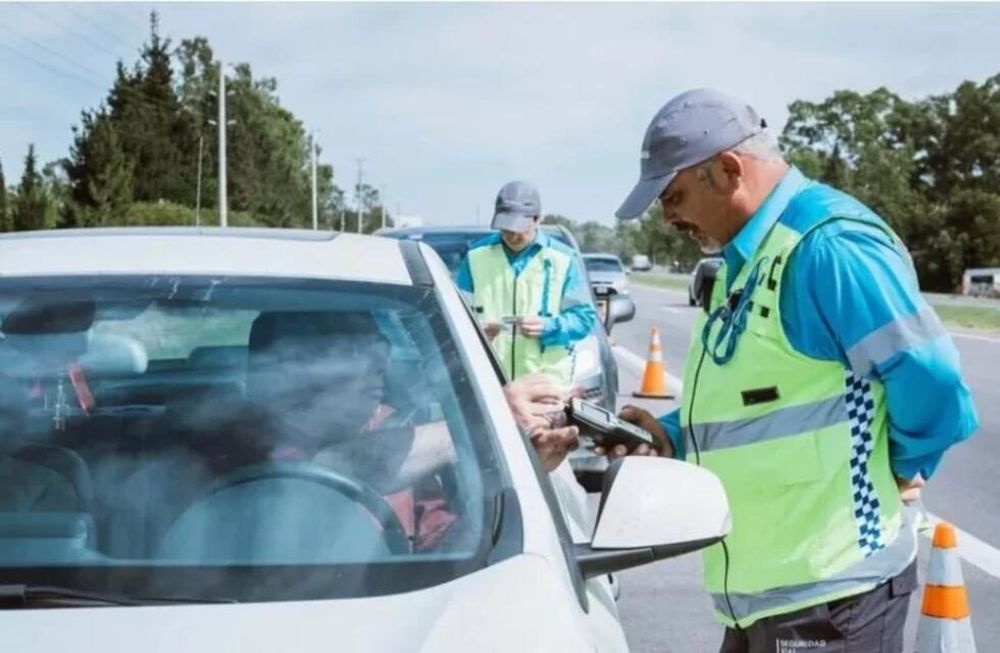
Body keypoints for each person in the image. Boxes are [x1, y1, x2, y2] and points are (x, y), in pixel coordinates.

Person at [611, 88, 979, 652]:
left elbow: (931, 377)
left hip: (832, 599)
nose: (668, 217)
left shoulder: (827, 248)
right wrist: (674, 435)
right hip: (762, 598)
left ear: (728, 170)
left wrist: (899, 467)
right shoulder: (748, 258)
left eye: (674, 195)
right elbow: (764, 403)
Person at [210, 311, 580, 551]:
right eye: (357, 354)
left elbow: (450, 545)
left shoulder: (393, 427)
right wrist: (489, 421)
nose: (380, 370)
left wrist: (525, 471)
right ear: (296, 372)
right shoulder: (231, 436)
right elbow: (333, 466)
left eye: (381, 352)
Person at [456, 181, 598, 388]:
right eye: (506, 227)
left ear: (538, 219)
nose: (512, 235)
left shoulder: (564, 259)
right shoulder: (475, 257)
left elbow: (583, 320)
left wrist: (548, 326)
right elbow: (457, 315)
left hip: (547, 386)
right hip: (489, 384)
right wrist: (477, 330)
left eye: (519, 228)